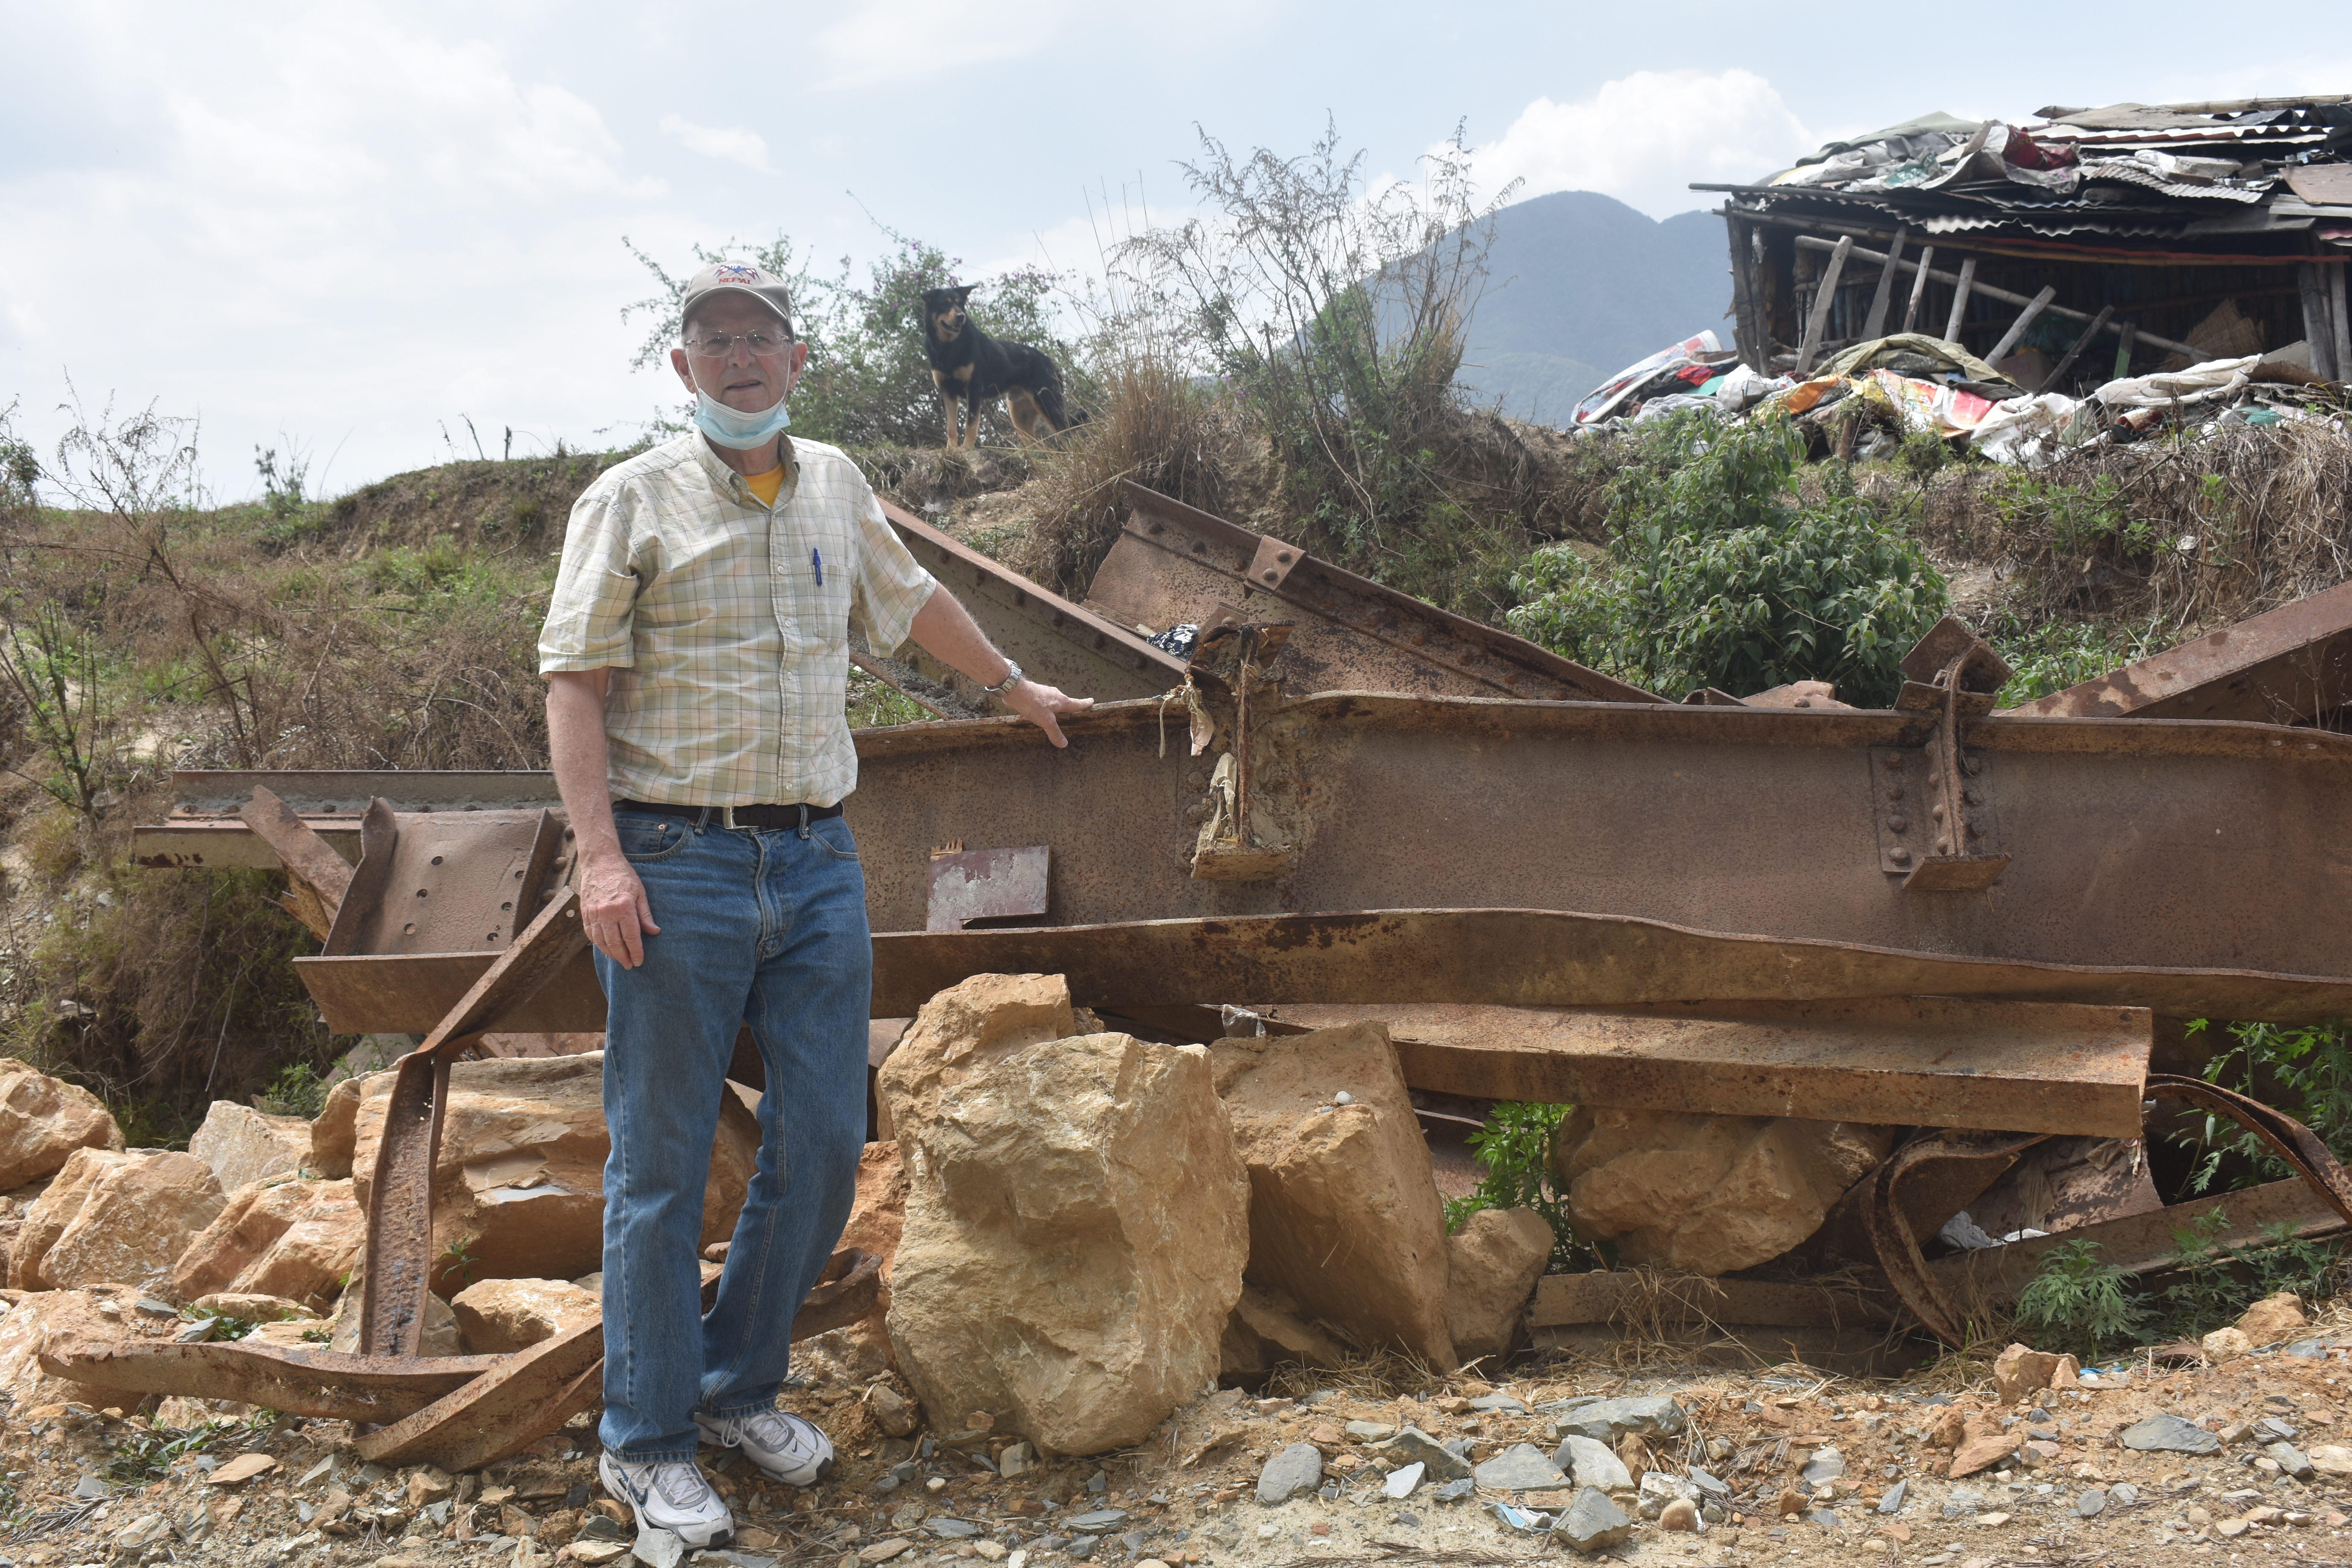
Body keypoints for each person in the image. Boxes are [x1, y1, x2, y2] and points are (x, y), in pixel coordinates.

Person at [538, 261, 1091, 1548]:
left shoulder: (835, 480)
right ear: (683, 371)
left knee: (829, 1140)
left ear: (799, 361)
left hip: (816, 860)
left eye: (759, 338)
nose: (737, 357)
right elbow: (575, 684)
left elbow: (910, 603)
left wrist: (1015, 686)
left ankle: (734, 1391)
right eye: (712, 341)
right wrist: (599, 857)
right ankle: (647, 1442)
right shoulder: (630, 500)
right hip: (676, 865)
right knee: (663, 1162)